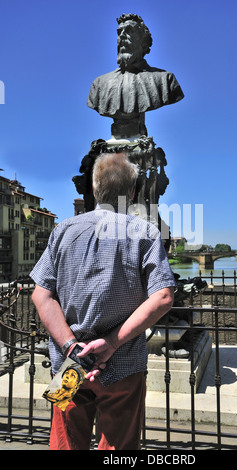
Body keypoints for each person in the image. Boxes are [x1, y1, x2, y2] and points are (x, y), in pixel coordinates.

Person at [30, 152, 175, 450]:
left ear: (94, 190)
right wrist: (110, 343)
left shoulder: (63, 231)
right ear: (133, 192)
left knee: (65, 443)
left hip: (69, 365)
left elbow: (41, 294)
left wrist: (71, 346)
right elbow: (162, 297)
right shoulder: (145, 232)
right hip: (123, 365)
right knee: (119, 449)